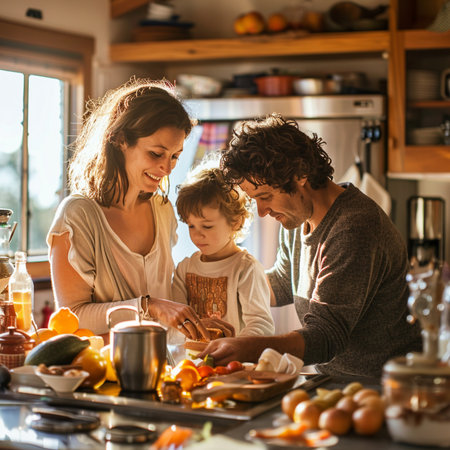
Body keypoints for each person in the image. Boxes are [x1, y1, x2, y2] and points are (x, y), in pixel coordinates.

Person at [197, 113, 422, 377]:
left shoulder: (354, 228)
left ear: (301, 174)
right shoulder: (298, 216)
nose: (261, 211)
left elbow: (326, 336)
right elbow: (283, 282)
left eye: (266, 196)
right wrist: (220, 293)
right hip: (336, 381)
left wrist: (249, 348)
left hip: (383, 387)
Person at [47, 78, 216, 341]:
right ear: (119, 140)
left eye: (174, 156)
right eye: (156, 153)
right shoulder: (78, 216)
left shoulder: (162, 209)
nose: (168, 168)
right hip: (107, 373)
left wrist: (201, 321)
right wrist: (148, 306)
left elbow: (167, 302)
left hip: (169, 368)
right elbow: (72, 317)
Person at [172, 160, 275, 337]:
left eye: (207, 226)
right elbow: (174, 326)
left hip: (233, 363)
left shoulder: (245, 269)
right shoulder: (185, 268)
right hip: (190, 363)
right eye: (191, 226)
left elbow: (261, 326)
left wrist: (232, 346)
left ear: (236, 222)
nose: (197, 235)